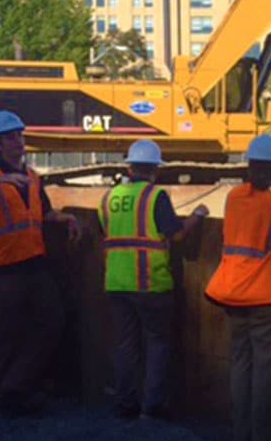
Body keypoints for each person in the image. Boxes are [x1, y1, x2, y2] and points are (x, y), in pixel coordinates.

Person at [0, 110, 80, 415]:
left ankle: (16, 386)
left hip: (34, 264)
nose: (18, 142)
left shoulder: (32, 178)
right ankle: (9, 393)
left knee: (52, 320)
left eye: (19, 136)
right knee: (8, 333)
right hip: (4, 270)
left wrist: (64, 217)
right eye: (11, 138)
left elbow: (42, 214)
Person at [97, 139, 208, 420]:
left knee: (126, 345)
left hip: (115, 283)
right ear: (155, 170)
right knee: (157, 344)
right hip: (149, 283)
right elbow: (177, 235)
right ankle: (153, 406)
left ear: (130, 167)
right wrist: (197, 216)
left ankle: (126, 404)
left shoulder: (108, 198)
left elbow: (107, 233)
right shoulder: (155, 197)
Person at [204, 134, 271, 441]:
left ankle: (240, 431)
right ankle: (262, 434)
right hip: (267, 298)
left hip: (233, 292)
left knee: (240, 363)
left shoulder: (234, 197)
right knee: (265, 370)